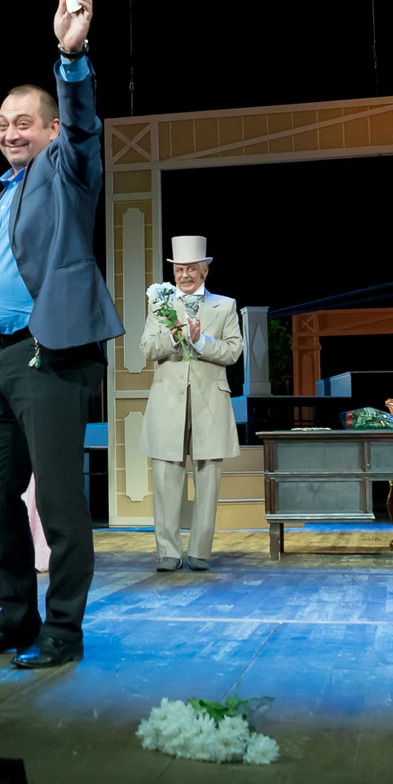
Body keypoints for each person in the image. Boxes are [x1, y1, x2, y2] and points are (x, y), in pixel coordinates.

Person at [0, 0, 123, 671]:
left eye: (22, 122)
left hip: (52, 356)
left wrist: (71, 56)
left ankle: (63, 631)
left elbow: (82, 123)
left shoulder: (67, 170)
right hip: (0, 363)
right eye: (1, 124)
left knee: (58, 501)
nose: (9, 133)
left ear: (49, 131)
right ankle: (15, 617)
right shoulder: (1, 197)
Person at [141, 236, 244, 572]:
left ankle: (200, 552)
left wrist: (201, 341)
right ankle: (167, 552)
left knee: (208, 479)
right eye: (179, 270)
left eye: (191, 269)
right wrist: (173, 336)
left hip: (209, 401)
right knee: (165, 479)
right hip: (167, 403)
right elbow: (147, 348)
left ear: (205, 270)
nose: (184, 275)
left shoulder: (225, 306)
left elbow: (233, 351)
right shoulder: (160, 305)